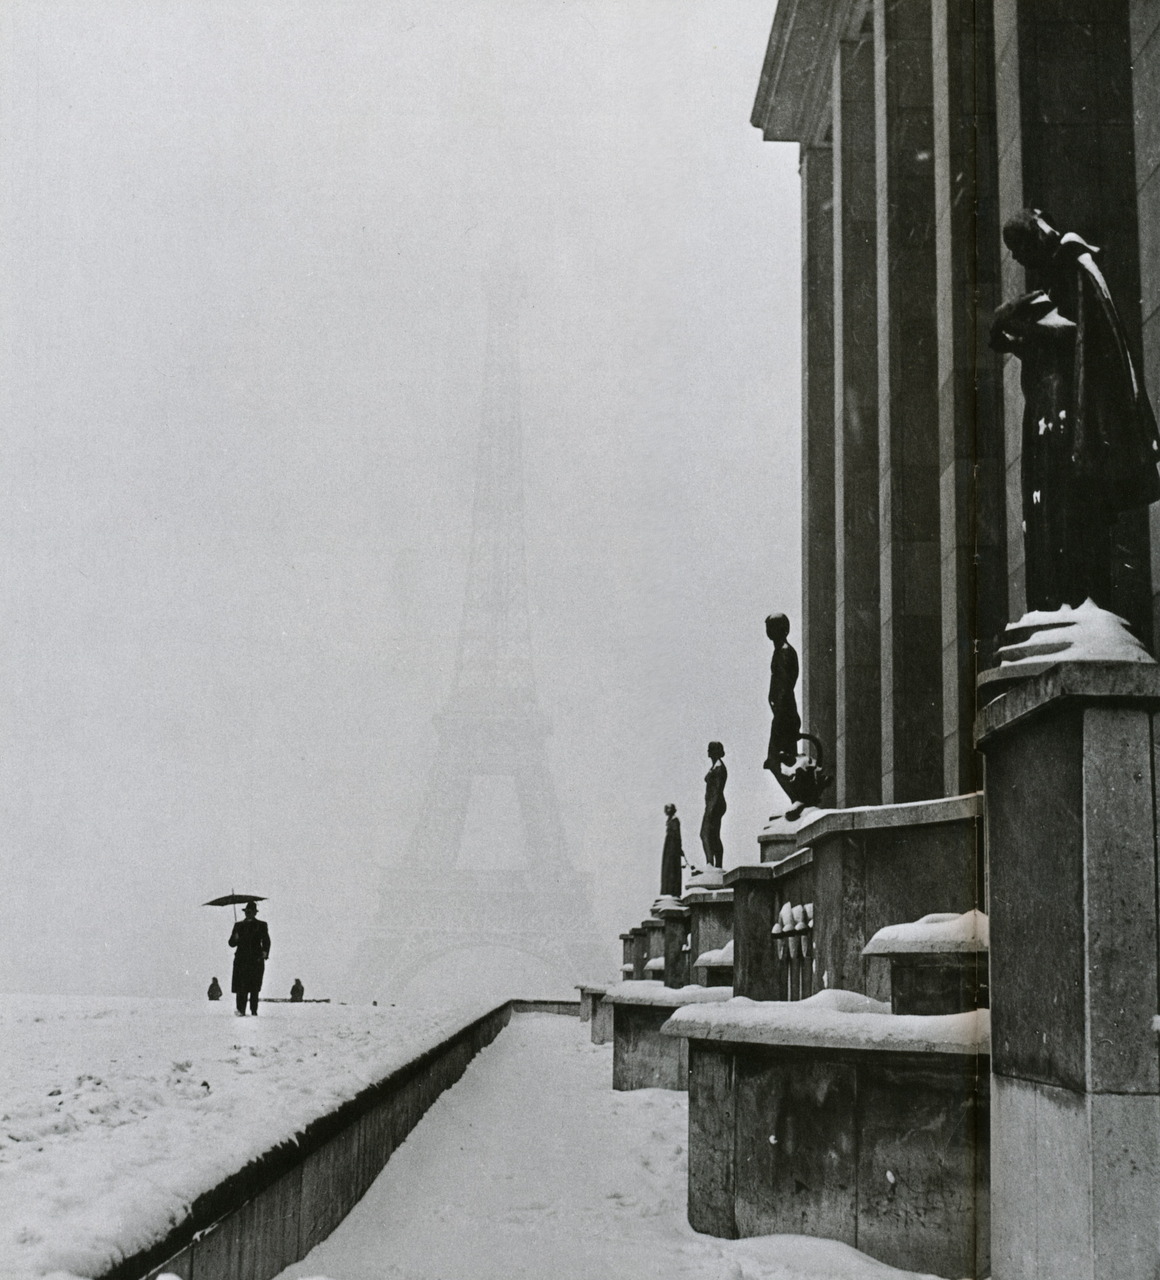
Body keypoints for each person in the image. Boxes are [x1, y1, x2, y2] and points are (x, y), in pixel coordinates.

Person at [991, 208, 1160, 611]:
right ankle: (1065, 596)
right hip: (1054, 407)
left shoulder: (1072, 258)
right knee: (1052, 503)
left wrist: (1023, 318)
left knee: (1072, 501)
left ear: (1035, 235)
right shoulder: (1056, 272)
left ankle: (1083, 597)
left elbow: (1085, 333)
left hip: (1075, 409)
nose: (1016, 259)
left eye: (1017, 247)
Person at [763, 613, 801, 770]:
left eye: (771, 627)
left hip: (784, 708)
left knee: (780, 756)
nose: (769, 631)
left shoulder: (784, 651)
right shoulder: (780, 651)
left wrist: (778, 705)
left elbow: (785, 683)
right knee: (780, 756)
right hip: (782, 707)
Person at [228, 900, 271, 1016]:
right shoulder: (238, 926)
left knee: (254, 987)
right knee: (241, 987)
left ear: (255, 913)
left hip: (255, 960)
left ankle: (253, 1011)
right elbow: (231, 943)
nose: (248, 913)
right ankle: (240, 1010)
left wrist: (265, 952)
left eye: (250, 911)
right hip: (241, 961)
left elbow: (266, 941)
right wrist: (235, 937)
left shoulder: (261, 925)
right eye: (247, 911)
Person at [699, 742, 727, 870]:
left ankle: (711, 863)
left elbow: (716, 790)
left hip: (715, 805)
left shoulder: (719, 768)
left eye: (710, 749)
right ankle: (715, 864)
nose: (708, 752)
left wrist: (710, 809)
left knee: (706, 834)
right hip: (713, 805)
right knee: (713, 835)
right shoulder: (715, 767)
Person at [660, 803, 683, 897]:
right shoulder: (671, 821)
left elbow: (677, 836)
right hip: (669, 848)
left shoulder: (675, 821)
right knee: (667, 869)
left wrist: (678, 847)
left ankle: (671, 890)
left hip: (672, 848)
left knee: (672, 869)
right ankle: (667, 889)